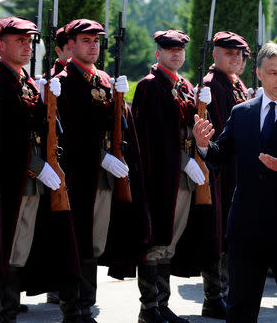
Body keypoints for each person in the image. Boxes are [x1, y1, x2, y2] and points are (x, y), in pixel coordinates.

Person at [193, 42, 277, 323]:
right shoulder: (243, 113)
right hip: (247, 225)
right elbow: (221, 154)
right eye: (274, 73)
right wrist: (204, 146)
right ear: (259, 74)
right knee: (241, 307)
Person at [56, 19, 149, 323]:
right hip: (79, 174)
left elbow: (115, 126)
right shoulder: (65, 80)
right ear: (71, 45)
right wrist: (100, 157)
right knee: (78, 240)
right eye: (86, 41)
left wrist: (120, 105)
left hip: (105, 174)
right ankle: (74, 310)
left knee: (94, 242)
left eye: (96, 41)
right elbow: (68, 132)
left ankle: (87, 306)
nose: (93, 46)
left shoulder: (104, 80)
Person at [0, 16, 80, 323]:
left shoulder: (25, 80)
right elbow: (2, 137)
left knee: (18, 251)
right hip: (9, 181)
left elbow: (45, 130)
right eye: (19, 41)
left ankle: (8, 312)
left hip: (30, 182)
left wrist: (48, 102)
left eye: (29, 41)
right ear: (0, 44)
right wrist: (35, 165)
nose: (27, 47)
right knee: (4, 249)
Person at [131, 29, 212, 323]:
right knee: (156, 241)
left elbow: (193, 127)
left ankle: (161, 305)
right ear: (158, 53)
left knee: (170, 242)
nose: (176, 54)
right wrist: (183, 160)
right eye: (169, 49)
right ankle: (148, 307)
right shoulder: (150, 86)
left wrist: (201, 103)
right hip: (161, 177)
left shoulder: (184, 85)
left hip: (183, 175)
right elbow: (155, 137)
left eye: (180, 50)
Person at [200, 31, 249, 318]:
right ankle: (214, 296)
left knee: (231, 234)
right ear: (215, 54)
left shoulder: (235, 83)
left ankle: (227, 292)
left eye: (239, 54)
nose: (236, 58)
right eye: (229, 52)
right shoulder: (212, 84)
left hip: (237, 168)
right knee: (217, 233)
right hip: (219, 168)